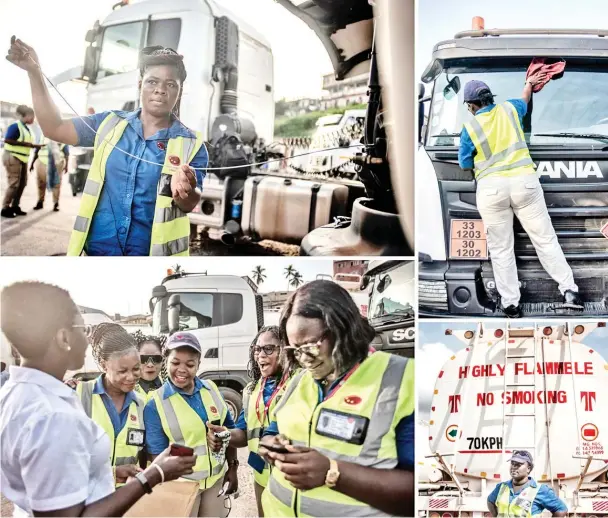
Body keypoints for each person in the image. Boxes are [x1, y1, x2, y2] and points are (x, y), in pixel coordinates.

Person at [0, 281, 196, 517]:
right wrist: (154, 475)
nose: (88, 337)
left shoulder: (16, 394)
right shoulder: (55, 416)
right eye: (84, 329)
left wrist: (113, 473)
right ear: (63, 338)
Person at [7, 37, 206, 256]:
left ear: (179, 91)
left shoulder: (192, 144)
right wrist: (35, 73)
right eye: (152, 81)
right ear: (140, 84)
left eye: (170, 84)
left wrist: (186, 190)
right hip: (98, 253)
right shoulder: (108, 124)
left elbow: (189, 203)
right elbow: (53, 127)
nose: (160, 90)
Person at [258, 280, 415, 517]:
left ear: (342, 328)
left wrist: (333, 473)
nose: (304, 359)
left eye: (310, 346)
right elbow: (273, 429)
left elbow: (418, 494)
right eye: (295, 350)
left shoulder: (402, 379)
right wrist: (270, 445)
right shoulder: (299, 381)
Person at [459, 76, 583, 318]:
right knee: (545, 240)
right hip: (525, 183)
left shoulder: (469, 129)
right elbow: (525, 99)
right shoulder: (509, 108)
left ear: (471, 105)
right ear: (489, 98)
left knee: (501, 249)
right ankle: (569, 291)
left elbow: (465, 163)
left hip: (492, 190)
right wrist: (528, 83)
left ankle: (511, 304)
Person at [207, 326, 300, 517]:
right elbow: (243, 434)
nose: (260, 355)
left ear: (285, 349)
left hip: (291, 481)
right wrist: (223, 434)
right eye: (257, 349)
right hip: (261, 478)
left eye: (269, 349)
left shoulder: (299, 384)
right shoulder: (252, 391)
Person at [144, 331, 239, 517]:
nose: (182, 370)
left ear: (198, 364)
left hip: (215, 482)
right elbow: (158, 457)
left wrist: (233, 467)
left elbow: (229, 431)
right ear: (166, 362)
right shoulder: (155, 404)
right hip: (181, 487)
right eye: (175, 362)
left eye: (190, 364)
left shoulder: (211, 389)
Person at [75, 323, 146, 487]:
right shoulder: (79, 396)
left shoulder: (142, 404)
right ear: (103, 363)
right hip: (88, 496)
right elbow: (65, 458)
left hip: (127, 497)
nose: (131, 377)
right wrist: (113, 473)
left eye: (136, 369)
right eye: (122, 371)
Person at [488, 450, 567, 517]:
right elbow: (490, 501)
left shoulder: (540, 490)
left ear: (528, 469)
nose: (514, 467)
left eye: (518, 464)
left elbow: (561, 509)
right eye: (512, 463)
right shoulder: (501, 487)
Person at [1, 104, 44, 218]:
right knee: (14, 183)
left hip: (22, 158)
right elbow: (8, 140)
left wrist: (34, 146)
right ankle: (5, 208)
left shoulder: (25, 128)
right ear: (25, 116)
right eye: (32, 117)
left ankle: (15, 206)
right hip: (13, 157)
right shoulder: (15, 126)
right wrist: (30, 145)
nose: (33, 119)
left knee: (22, 183)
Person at [32, 137, 69, 212]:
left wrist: (66, 166)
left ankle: (56, 203)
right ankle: (40, 202)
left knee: (56, 183)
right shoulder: (42, 138)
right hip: (42, 162)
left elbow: (66, 153)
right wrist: (32, 163)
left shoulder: (62, 137)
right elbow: (36, 151)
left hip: (57, 164)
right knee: (41, 183)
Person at [132, 332, 165, 400]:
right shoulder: (126, 389)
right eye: (143, 358)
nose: (150, 365)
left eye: (156, 358)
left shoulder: (170, 387)